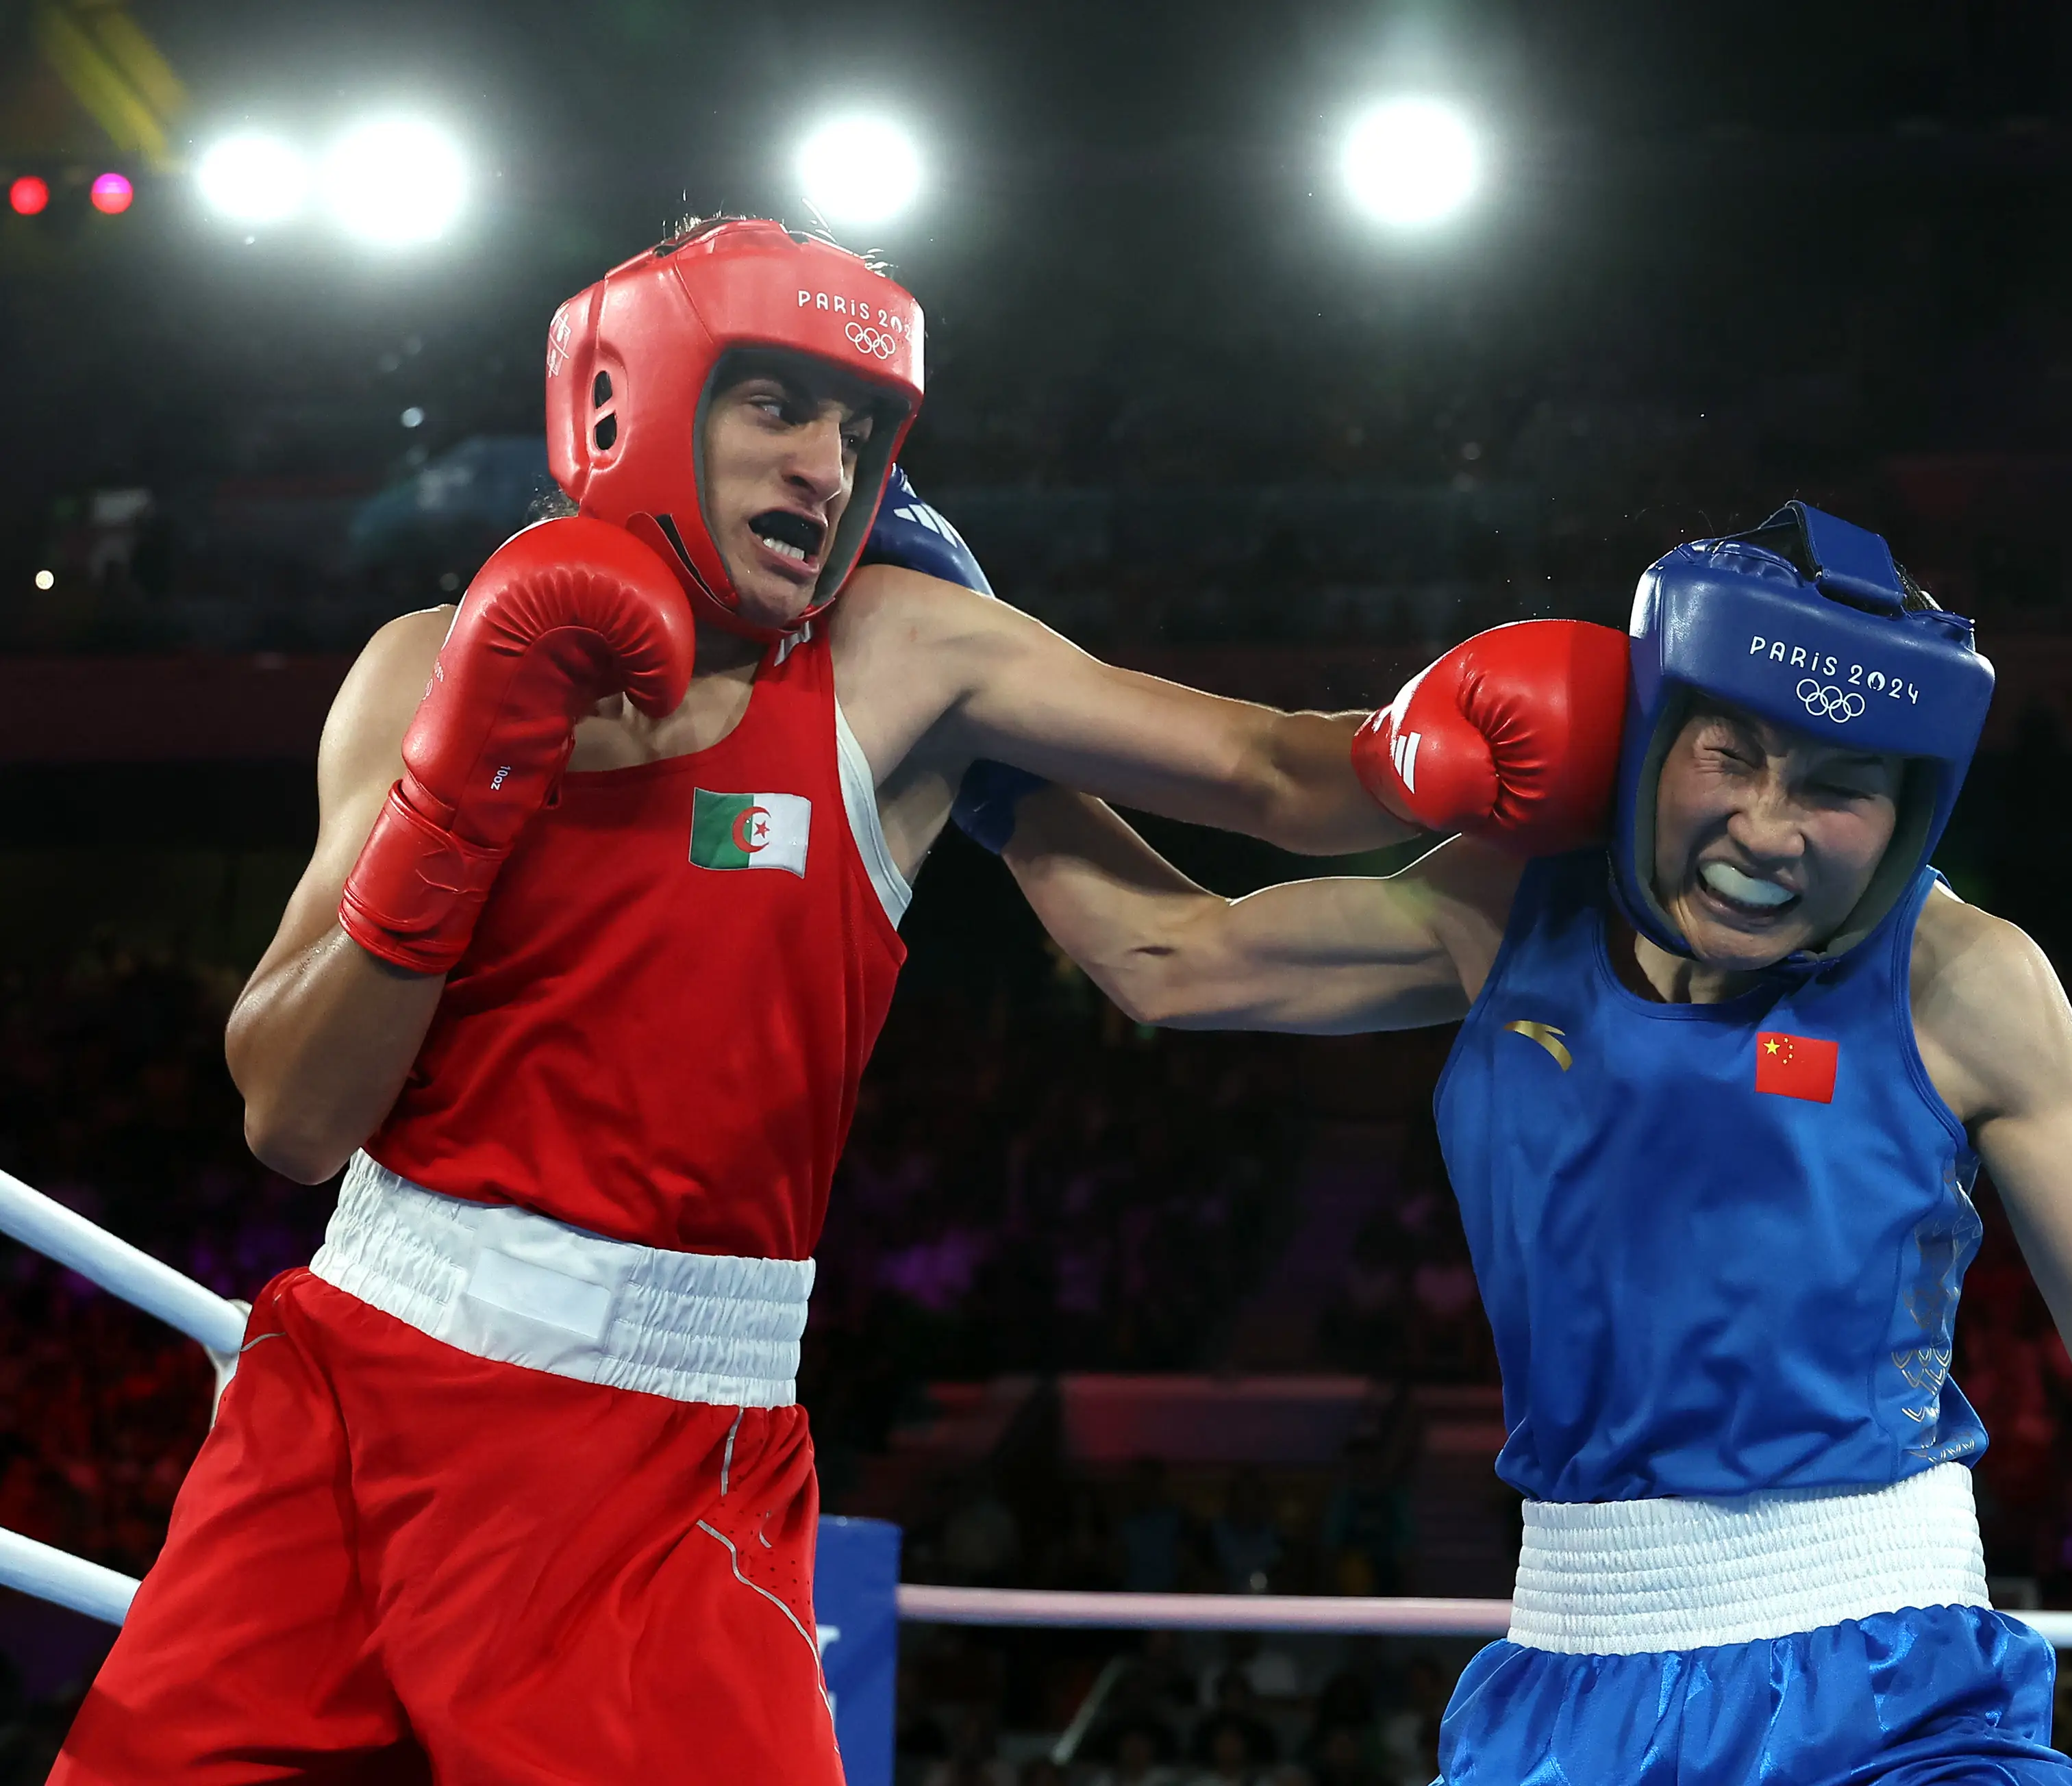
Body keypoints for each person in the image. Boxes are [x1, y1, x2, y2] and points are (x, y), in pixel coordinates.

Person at [50, 217, 1604, 1783]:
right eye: (776, 404)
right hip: (356, 1389)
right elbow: (292, 1120)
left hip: (665, 1453)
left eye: (861, 429)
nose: (827, 464)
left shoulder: (897, 655)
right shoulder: (422, 668)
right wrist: (465, 791)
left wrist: (1446, 739)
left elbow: (1277, 774)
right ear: (628, 399)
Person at [959, 503, 2072, 1783]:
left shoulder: (1969, 984)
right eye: (1733, 754)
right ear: (1659, 739)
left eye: (1839, 785)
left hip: (1891, 1680)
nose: (1767, 825)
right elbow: (1173, 959)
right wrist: (977, 724)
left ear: (1910, 806)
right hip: (1568, 1674)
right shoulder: (1506, 903)